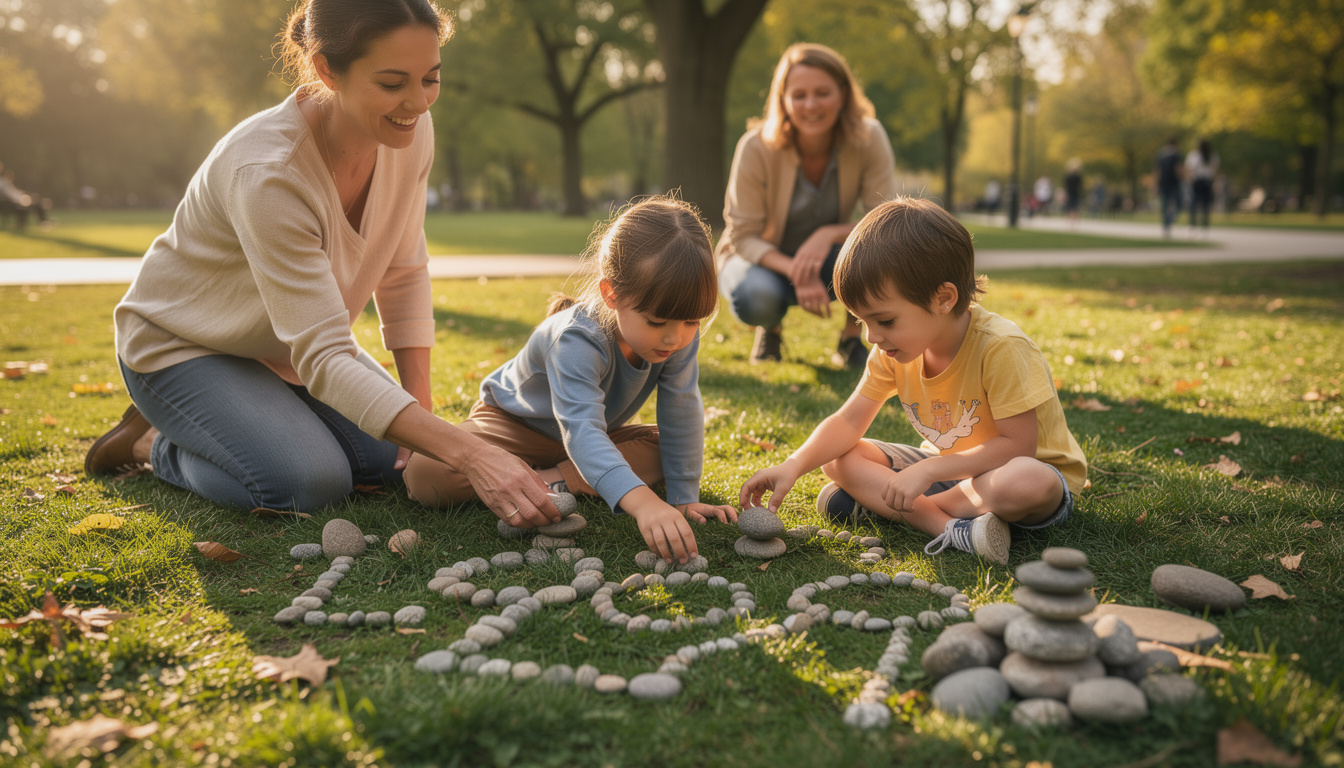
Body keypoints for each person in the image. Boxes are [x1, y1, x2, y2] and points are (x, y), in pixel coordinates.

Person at [84, 0, 561, 528]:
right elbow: (327, 353)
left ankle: (240, 421)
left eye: (430, 78)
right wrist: (470, 452)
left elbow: (403, 269)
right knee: (307, 482)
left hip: (286, 344)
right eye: (392, 82)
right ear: (326, 68)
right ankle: (151, 442)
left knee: (385, 460)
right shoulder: (269, 172)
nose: (417, 102)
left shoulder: (407, 131)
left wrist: (424, 425)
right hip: (183, 346)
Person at [738, 197, 1087, 565]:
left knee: (1028, 481)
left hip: (1021, 477)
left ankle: (891, 509)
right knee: (841, 457)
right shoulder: (893, 350)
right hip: (948, 473)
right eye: (861, 321)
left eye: (885, 321)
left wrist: (927, 471)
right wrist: (793, 464)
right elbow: (849, 420)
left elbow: (1017, 448)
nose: (871, 336)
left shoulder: (1001, 347)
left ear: (943, 299)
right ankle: (946, 527)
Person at [404, 196, 738, 563]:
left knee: (672, 447)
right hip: (514, 427)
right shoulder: (577, 339)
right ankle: (527, 475)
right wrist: (643, 504)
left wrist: (683, 497)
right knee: (426, 473)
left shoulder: (676, 340)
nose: (676, 338)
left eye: (692, 322)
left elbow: (681, 410)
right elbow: (581, 431)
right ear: (612, 294)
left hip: (589, 437)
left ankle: (547, 481)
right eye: (657, 323)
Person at [716, 43, 899, 369]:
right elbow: (743, 236)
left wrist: (828, 234)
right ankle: (769, 329)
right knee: (757, 296)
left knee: (882, 254)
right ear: (783, 99)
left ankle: (850, 340)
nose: (810, 105)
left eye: (822, 92)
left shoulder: (869, 137)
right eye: (798, 95)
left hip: (828, 257)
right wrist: (796, 272)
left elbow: (885, 221)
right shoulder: (755, 147)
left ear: (843, 93)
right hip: (758, 258)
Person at [1185, 139, 1219, 232]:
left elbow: (1190, 169)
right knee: (1205, 204)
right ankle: (1204, 224)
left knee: (1194, 203)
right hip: (1207, 181)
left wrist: (1189, 180)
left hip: (1197, 181)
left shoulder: (1194, 156)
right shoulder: (1212, 156)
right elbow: (1214, 171)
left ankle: (1193, 224)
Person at [1154, 137, 1183, 237]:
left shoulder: (1160, 155)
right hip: (1174, 183)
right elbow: (1178, 169)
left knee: (1165, 205)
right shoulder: (1176, 155)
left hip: (1163, 183)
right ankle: (1168, 221)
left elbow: (1157, 171)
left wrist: (1156, 184)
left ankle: (1166, 224)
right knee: (1179, 204)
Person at [1063, 158, 1083, 223]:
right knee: (1071, 206)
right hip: (1071, 192)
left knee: (1074, 206)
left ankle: (1073, 219)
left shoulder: (1076, 176)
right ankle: (1071, 219)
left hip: (1074, 193)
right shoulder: (1069, 176)